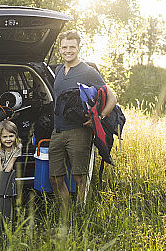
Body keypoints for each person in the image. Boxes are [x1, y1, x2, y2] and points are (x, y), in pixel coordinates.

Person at [49, 30, 117, 205]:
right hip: (57, 132)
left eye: (72, 47)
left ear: (79, 48)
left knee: (80, 179)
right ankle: (66, 216)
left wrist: (99, 117)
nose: (68, 50)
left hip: (78, 132)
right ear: (60, 49)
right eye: (64, 47)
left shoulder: (88, 71)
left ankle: (81, 217)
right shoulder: (58, 70)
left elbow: (112, 97)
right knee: (55, 179)